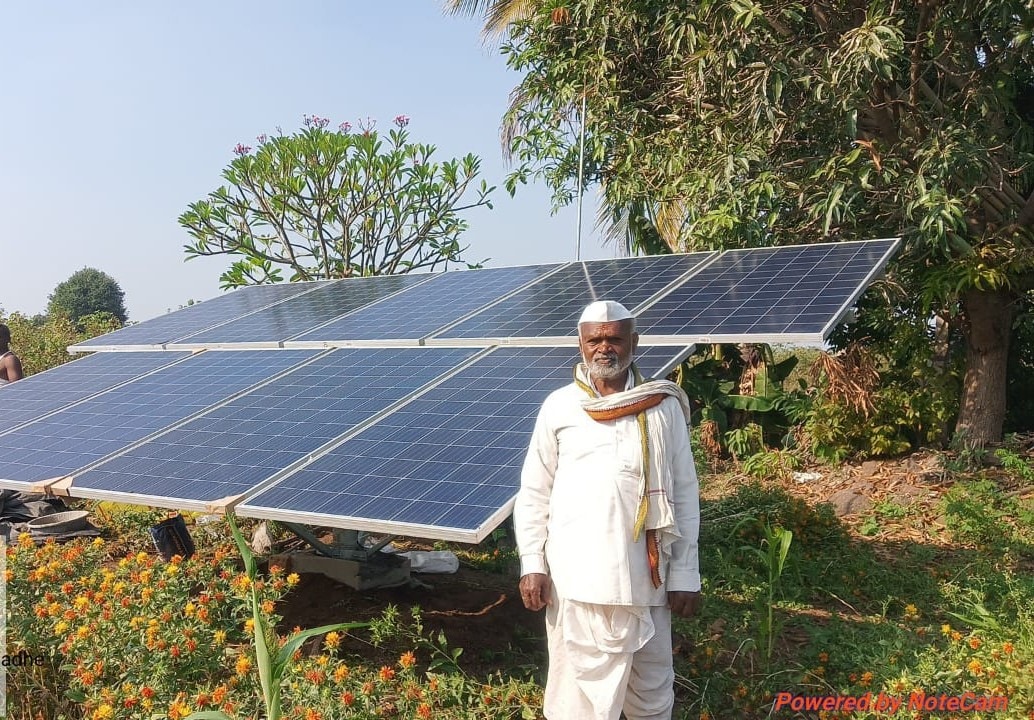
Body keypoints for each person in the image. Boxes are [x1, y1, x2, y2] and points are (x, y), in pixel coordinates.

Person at [514, 300, 702, 720]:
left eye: (614, 338)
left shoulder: (663, 406)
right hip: (575, 582)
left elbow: (685, 493)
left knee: (651, 696)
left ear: (633, 342)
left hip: (647, 580)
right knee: (574, 701)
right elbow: (534, 492)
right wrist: (532, 563)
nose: (604, 348)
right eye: (594, 340)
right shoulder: (559, 406)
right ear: (580, 345)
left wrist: (686, 574)